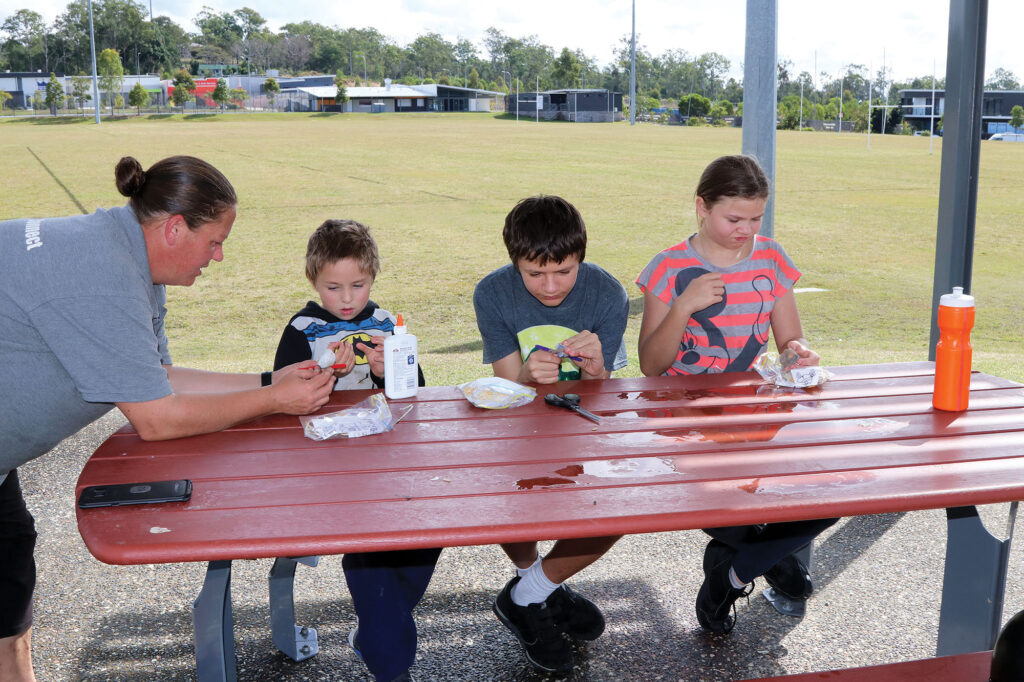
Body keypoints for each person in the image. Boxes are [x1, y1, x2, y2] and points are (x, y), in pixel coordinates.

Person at [0, 155, 335, 681]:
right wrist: (274, 401)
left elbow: (159, 376)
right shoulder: (103, 275)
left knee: (7, 598)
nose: (219, 257)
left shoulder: (123, 251)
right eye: (215, 241)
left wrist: (272, 381)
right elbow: (156, 417)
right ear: (175, 228)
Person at [635, 154, 838, 634]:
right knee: (717, 502)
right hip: (686, 419)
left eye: (755, 218)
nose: (745, 230)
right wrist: (683, 306)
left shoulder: (771, 258)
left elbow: (788, 344)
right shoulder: (668, 267)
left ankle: (731, 572)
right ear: (701, 207)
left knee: (835, 490)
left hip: (757, 413)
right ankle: (764, 555)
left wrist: (798, 354)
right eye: (733, 219)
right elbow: (651, 365)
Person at [274, 218, 436, 682]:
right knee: (371, 556)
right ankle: (390, 662)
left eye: (358, 285)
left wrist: (389, 372)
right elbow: (283, 398)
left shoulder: (387, 325)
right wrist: (323, 370)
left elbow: (416, 395)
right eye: (333, 286)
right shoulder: (302, 328)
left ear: (374, 278)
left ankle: (379, 630)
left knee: (429, 533)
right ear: (313, 281)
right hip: (331, 472)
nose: (346, 299)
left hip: (388, 466)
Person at [473, 195, 629, 674]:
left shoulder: (608, 293)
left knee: (618, 508)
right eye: (534, 273)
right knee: (514, 503)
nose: (550, 286)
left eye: (563, 271)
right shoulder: (492, 293)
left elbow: (606, 391)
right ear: (513, 262)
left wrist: (599, 369)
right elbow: (504, 389)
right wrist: (524, 375)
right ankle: (538, 588)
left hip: (581, 423)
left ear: (580, 256)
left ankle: (527, 595)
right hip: (517, 425)